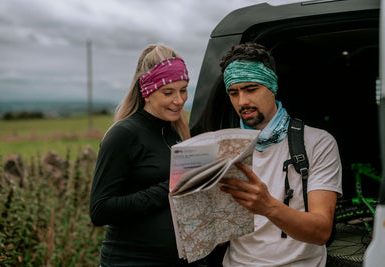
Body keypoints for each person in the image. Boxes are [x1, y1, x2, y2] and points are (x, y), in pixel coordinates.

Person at [212, 43, 342, 266]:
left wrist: (268, 206)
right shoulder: (222, 147)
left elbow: (321, 231)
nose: (242, 101)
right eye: (233, 93)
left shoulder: (318, 142)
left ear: (271, 87)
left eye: (251, 89)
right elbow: (218, 239)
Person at [89, 44, 201, 266]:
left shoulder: (177, 133)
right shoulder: (124, 134)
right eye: (168, 92)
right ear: (147, 92)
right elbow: (100, 210)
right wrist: (169, 188)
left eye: (183, 89)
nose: (179, 100)